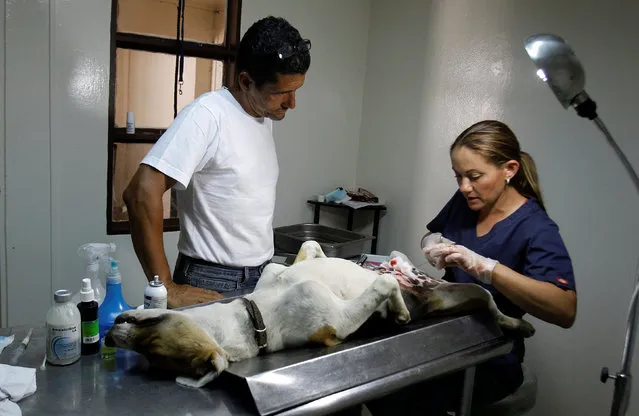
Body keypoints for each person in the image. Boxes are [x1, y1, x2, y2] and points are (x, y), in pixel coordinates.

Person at [366, 120, 577, 415]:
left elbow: (564, 310)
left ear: (510, 169)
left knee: (397, 395)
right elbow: (434, 232)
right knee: (368, 376)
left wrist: (489, 268)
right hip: (441, 338)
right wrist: (432, 244)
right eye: (459, 177)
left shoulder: (536, 228)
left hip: (489, 357)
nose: (465, 187)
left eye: (475, 176)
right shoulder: (467, 200)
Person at [123, 16, 311, 308]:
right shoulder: (207, 116)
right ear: (246, 81)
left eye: (296, 90)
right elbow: (140, 193)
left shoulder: (261, 115)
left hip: (259, 275)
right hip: (212, 280)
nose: (292, 103)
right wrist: (166, 289)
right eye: (281, 93)